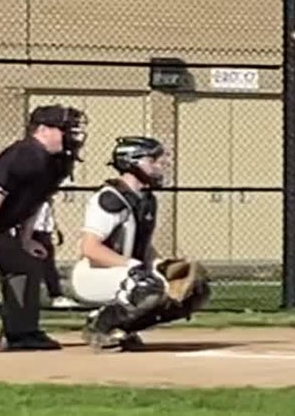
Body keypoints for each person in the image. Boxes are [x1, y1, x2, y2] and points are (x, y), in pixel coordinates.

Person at [0, 104, 86, 354]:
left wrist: (25, 239)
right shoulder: (25, 153)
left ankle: (20, 333)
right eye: (65, 129)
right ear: (42, 130)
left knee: (25, 264)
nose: (72, 135)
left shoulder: (59, 161)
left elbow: (36, 201)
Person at [72, 136, 210, 352]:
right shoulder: (111, 198)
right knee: (147, 287)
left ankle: (123, 328)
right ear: (132, 161)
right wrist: (134, 268)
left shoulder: (145, 200)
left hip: (122, 273)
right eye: (152, 160)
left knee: (195, 290)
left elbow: (141, 246)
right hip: (93, 274)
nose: (159, 166)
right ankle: (100, 326)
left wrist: (159, 265)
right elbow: (90, 248)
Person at [31, 200, 80, 309]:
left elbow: (48, 214)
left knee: (48, 265)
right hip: (35, 231)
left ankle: (53, 294)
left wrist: (54, 227)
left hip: (43, 230)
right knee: (45, 265)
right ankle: (54, 294)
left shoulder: (46, 201)